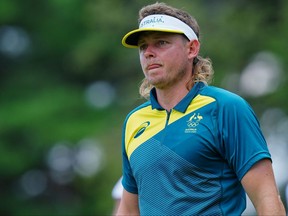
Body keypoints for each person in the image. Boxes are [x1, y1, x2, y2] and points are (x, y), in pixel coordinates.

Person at [117, 2, 286, 215]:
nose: (149, 53)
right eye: (143, 47)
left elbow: (266, 199)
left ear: (192, 48)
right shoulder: (134, 121)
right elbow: (129, 210)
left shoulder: (226, 108)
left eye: (161, 43)